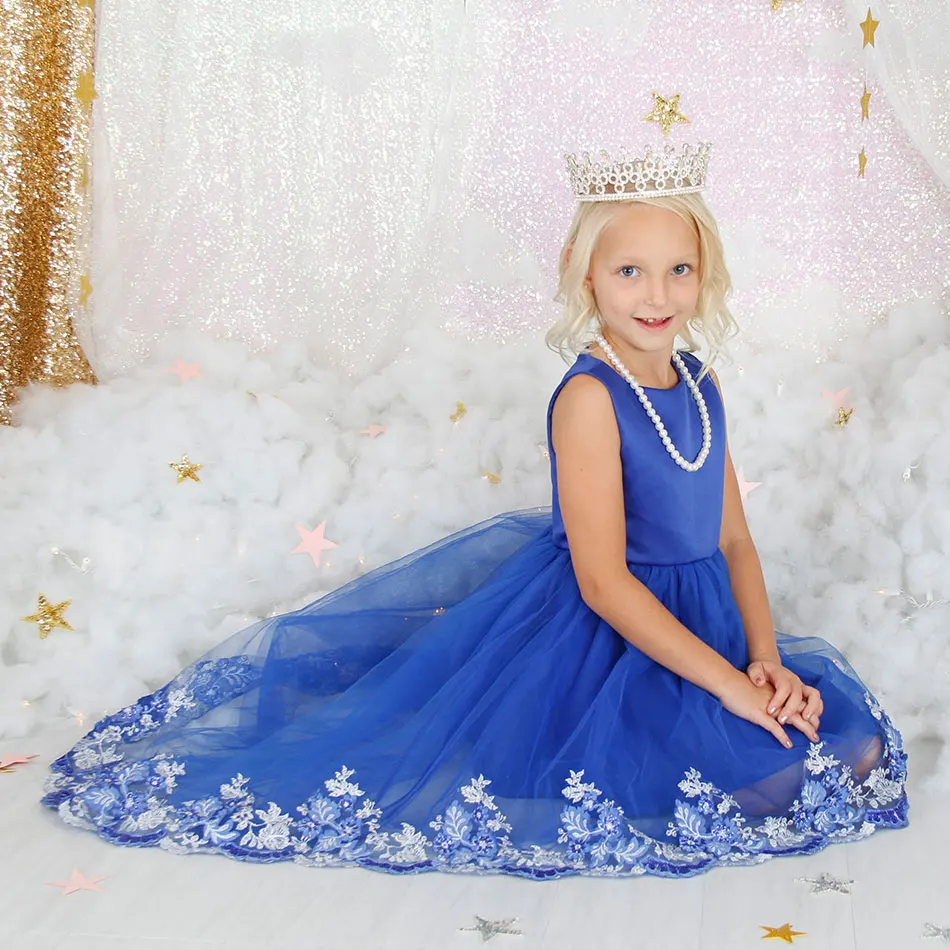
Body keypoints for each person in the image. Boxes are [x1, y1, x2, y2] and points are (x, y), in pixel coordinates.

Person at [42, 142, 908, 879]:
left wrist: (763, 663)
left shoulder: (700, 384)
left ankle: (731, 716)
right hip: (609, 642)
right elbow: (605, 584)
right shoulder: (591, 398)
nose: (657, 294)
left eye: (678, 269)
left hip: (702, 628)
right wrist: (730, 691)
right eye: (629, 271)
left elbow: (733, 541)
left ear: (704, 272)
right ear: (586, 274)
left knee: (852, 749)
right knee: (762, 782)